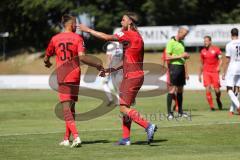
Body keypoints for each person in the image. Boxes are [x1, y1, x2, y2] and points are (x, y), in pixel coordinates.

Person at [79, 12, 157, 145]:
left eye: (123, 20)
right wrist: (110, 70)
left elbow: (105, 37)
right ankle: (126, 139)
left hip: (130, 77)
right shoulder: (138, 37)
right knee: (126, 107)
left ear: (130, 23)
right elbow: (128, 61)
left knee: (123, 108)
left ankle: (148, 126)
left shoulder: (127, 34)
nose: (121, 22)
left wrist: (88, 30)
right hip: (137, 76)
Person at [44, 14, 103, 148]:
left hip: (63, 76)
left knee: (66, 109)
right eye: (75, 24)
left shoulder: (55, 39)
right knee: (71, 107)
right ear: (71, 25)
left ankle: (76, 137)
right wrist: (97, 65)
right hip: (75, 75)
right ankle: (66, 138)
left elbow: (47, 56)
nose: (76, 26)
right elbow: (82, 57)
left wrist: (47, 62)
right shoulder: (78, 38)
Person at [165, 27, 190, 119]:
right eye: (184, 35)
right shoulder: (171, 42)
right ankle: (169, 113)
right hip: (174, 67)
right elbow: (167, 57)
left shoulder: (182, 43)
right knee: (171, 90)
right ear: (179, 32)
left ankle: (180, 111)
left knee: (180, 90)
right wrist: (181, 55)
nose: (184, 37)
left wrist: (185, 56)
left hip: (181, 68)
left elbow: (182, 58)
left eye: (186, 35)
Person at [198, 36, 223, 111]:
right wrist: (199, 74)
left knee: (217, 90)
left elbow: (221, 60)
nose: (205, 42)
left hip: (215, 72)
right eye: (204, 41)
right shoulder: (202, 51)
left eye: (206, 41)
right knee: (208, 88)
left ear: (210, 41)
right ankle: (212, 106)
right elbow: (201, 64)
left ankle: (218, 99)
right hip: (206, 72)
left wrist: (219, 66)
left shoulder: (216, 49)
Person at [222, 28, 240, 115]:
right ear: (238, 34)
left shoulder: (229, 44)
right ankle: (232, 109)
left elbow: (227, 60)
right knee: (238, 89)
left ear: (231, 34)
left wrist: (224, 72)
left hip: (233, 67)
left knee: (229, 88)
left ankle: (238, 105)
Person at [102, 41, 123, 106]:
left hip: (112, 67)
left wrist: (106, 69)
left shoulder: (110, 46)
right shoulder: (121, 45)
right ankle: (118, 100)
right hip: (120, 67)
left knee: (104, 83)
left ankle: (111, 99)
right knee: (117, 84)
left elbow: (109, 58)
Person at [161, 48, 179, 114]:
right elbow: (164, 58)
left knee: (176, 89)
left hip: (177, 69)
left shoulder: (178, 49)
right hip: (170, 71)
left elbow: (183, 61)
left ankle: (177, 105)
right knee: (170, 90)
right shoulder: (166, 49)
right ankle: (177, 104)